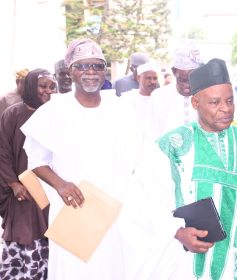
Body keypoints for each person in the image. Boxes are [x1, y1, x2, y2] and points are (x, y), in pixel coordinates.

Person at [133, 58, 237, 279]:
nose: (225, 109)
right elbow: (145, 199)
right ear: (195, 103)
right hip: (186, 261)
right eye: (215, 103)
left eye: (230, 101)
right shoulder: (172, 145)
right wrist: (177, 231)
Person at [21, 38, 143, 280]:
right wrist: (61, 184)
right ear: (70, 72)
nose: (91, 73)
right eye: (83, 66)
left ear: (105, 71)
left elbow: (138, 159)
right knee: (73, 270)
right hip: (74, 209)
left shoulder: (121, 110)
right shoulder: (53, 111)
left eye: (97, 66)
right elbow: (36, 161)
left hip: (115, 209)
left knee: (114, 268)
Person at [0, 68, 56, 279]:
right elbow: (2, 151)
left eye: (52, 87)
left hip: (50, 187)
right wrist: (13, 184)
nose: (48, 91)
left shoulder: (55, 115)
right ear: (31, 86)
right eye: (43, 86)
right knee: (23, 234)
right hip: (22, 190)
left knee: (50, 235)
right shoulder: (13, 114)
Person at [151, 43, 202, 138]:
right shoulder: (158, 97)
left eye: (192, 80)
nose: (187, 86)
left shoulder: (207, 96)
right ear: (174, 71)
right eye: (182, 80)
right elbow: (153, 134)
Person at [120, 61, 160, 134]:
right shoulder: (127, 99)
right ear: (138, 78)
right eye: (148, 78)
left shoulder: (161, 100)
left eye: (155, 78)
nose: (153, 82)